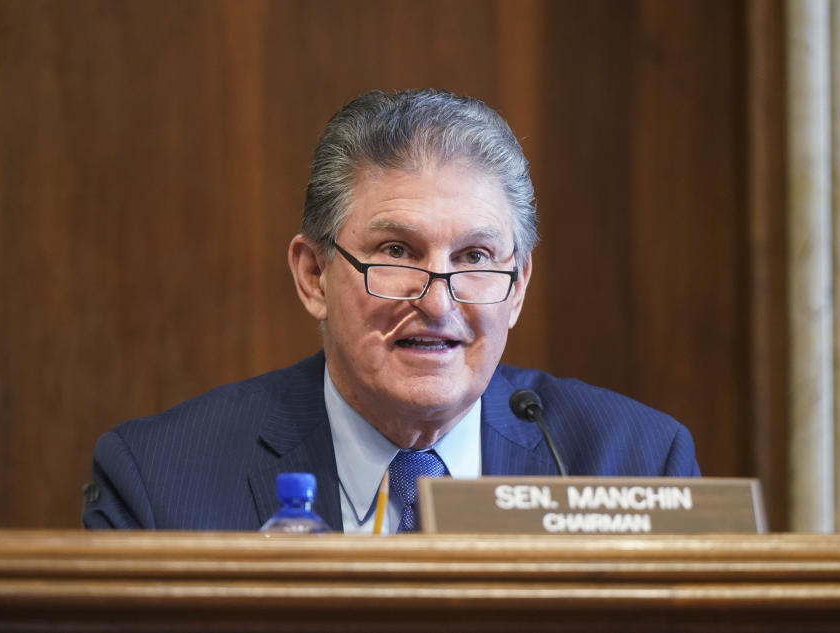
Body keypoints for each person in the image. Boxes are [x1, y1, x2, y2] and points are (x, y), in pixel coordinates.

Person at [82, 89, 699, 532]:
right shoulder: (159, 484)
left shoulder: (638, 463)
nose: (436, 302)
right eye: (397, 252)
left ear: (518, 285)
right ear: (313, 276)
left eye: (476, 256)